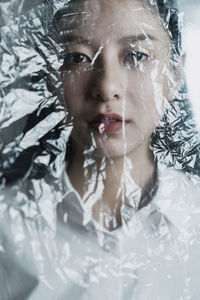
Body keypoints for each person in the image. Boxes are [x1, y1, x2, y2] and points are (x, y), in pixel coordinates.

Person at [1, 0, 200, 299]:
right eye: (78, 58)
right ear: (53, 78)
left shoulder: (195, 218)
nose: (107, 87)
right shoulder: (8, 228)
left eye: (136, 55)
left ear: (174, 76)